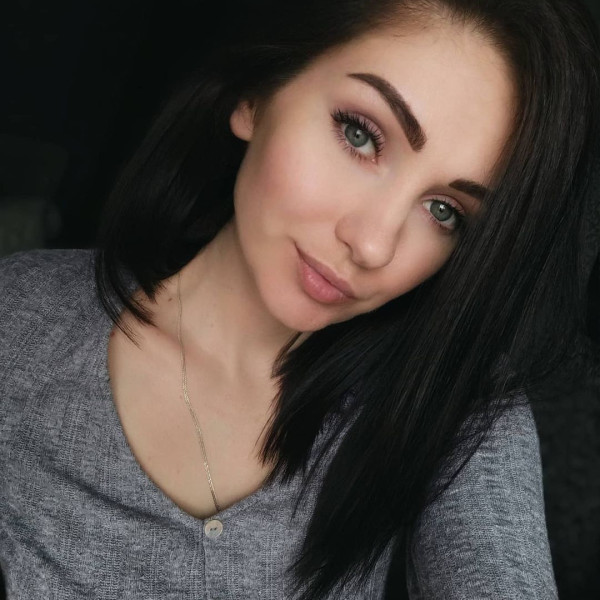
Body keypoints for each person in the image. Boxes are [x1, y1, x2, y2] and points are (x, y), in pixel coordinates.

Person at [1, 0, 599, 598]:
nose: (372, 244)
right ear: (256, 95)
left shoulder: (454, 407)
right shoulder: (22, 319)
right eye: (360, 135)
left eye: (445, 211)